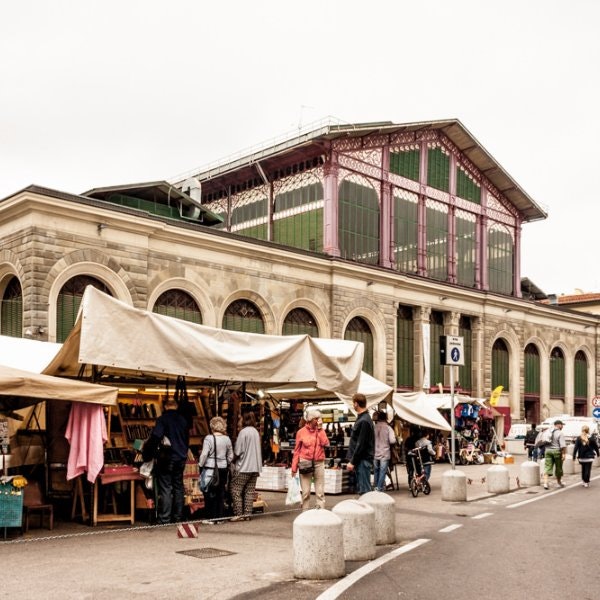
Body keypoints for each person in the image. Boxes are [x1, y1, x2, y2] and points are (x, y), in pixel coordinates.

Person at [142, 396, 192, 524]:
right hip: (181, 457)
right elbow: (187, 439)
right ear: (176, 406)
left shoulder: (162, 420)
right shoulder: (183, 420)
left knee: (166, 487)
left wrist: (148, 452)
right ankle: (178, 517)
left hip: (167, 457)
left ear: (165, 406)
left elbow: (156, 436)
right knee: (178, 486)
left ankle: (165, 518)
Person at [291, 408, 329, 510]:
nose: (318, 420)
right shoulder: (301, 432)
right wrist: (294, 467)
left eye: (319, 418)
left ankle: (321, 514)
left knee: (320, 492)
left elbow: (326, 443)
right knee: (306, 492)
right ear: (310, 420)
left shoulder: (320, 430)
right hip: (305, 462)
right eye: (316, 418)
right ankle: (305, 514)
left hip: (319, 462)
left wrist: (321, 430)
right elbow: (297, 451)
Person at [198, 416, 234, 523]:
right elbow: (231, 456)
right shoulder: (227, 439)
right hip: (223, 469)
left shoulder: (208, 438)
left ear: (212, 426)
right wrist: (225, 462)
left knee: (209, 493)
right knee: (220, 493)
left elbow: (204, 454)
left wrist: (200, 464)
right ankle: (220, 517)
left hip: (210, 468)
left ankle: (211, 518)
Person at [230, 411, 263, 521]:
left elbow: (238, 451)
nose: (239, 421)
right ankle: (247, 514)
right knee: (249, 491)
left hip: (244, 467)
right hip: (255, 467)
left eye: (240, 419)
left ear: (244, 419)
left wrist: (231, 460)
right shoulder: (255, 432)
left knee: (235, 490)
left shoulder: (243, 432)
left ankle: (238, 514)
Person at [346, 393, 375, 495]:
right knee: (363, 490)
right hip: (361, 460)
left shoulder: (364, 421)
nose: (353, 405)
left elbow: (361, 444)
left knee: (365, 492)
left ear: (356, 404)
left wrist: (352, 461)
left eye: (353, 403)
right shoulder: (363, 418)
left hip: (363, 461)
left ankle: (369, 510)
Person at [373, 411, 396, 492]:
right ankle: (379, 488)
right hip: (384, 453)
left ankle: (375, 487)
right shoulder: (388, 428)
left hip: (375, 453)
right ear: (386, 418)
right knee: (382, 471)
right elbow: (392, 441)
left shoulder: (374, 427)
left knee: (376, 471)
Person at [542, 419, 566, 490]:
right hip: (556, 451)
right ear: (559, 425)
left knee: (547, 467)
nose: (562, 427)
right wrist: (564, 454)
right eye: (562, 425)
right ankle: (559, 483)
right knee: (559, 468)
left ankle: (545, 483)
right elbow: (562, 445)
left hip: (548, 451)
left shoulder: (548, 431)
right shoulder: (560, 433)